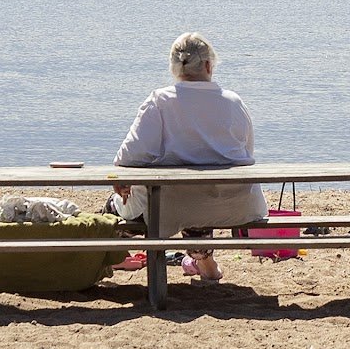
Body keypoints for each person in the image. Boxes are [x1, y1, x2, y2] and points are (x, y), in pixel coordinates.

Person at [112, 32, 267, 283]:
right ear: (208, 65)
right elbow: (246, 152)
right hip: (236, 205)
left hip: (172, 208)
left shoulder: (160, 101)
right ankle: (205, 263)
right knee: (199, 194)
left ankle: (115, 252)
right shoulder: (234, 102)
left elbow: (130, 156)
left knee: (123, 203)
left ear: (174, 67)